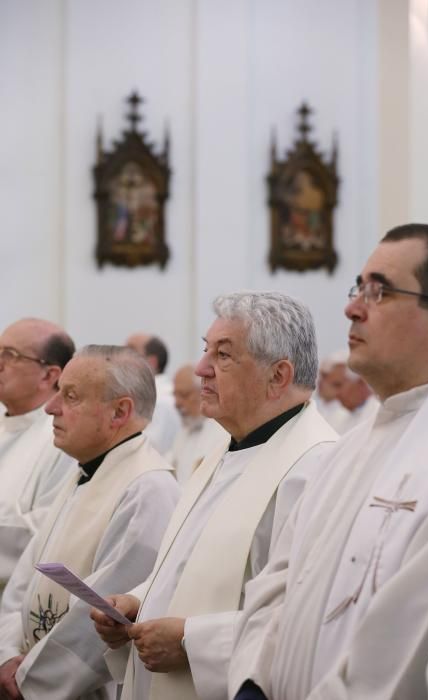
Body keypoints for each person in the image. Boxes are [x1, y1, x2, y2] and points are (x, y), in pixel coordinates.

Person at [229, 223, 428, 700]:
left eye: (380, 291)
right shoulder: (347, 449)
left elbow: (413, 637)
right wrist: (252, 681)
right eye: (359, 287)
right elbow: (277, 584)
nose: (352, 307)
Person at [92, 291, 338, 700]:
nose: (202, 370)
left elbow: (309, 615)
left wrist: (193, 640)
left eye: (223, 356)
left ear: (278, 376)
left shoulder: (315, 467)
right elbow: (187, 563)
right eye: (207, 351)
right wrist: (138, 602)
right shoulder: (227, 449)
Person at [0, 345, 180, 700]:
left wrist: (30, 680)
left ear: (119, 411)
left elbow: (100, 617)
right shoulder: (84, 473)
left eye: (70, 396)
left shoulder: (148, 489)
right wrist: (6, 655)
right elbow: (24, 580)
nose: (51, 408)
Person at [0, 318, 75, 592]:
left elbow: (47, 532)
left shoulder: (62, 438)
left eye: (10, 355)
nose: (0, 363)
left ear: (49, 375)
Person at [166, 364, 228, 484]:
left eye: (184, 395)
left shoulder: (222, 433)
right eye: (175, 395)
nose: (177, 403)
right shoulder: (183, 432)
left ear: (204, 392)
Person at [126, 333, 181, 453]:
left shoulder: (161, 402)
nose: (121, 357)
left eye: (130, 351)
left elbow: (149, 451)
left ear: (151, 362)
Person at [334, 365, 379, 433]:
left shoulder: (378, 413)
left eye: (339, 385)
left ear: (360, 383)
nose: (336, 394)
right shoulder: (341, 419)